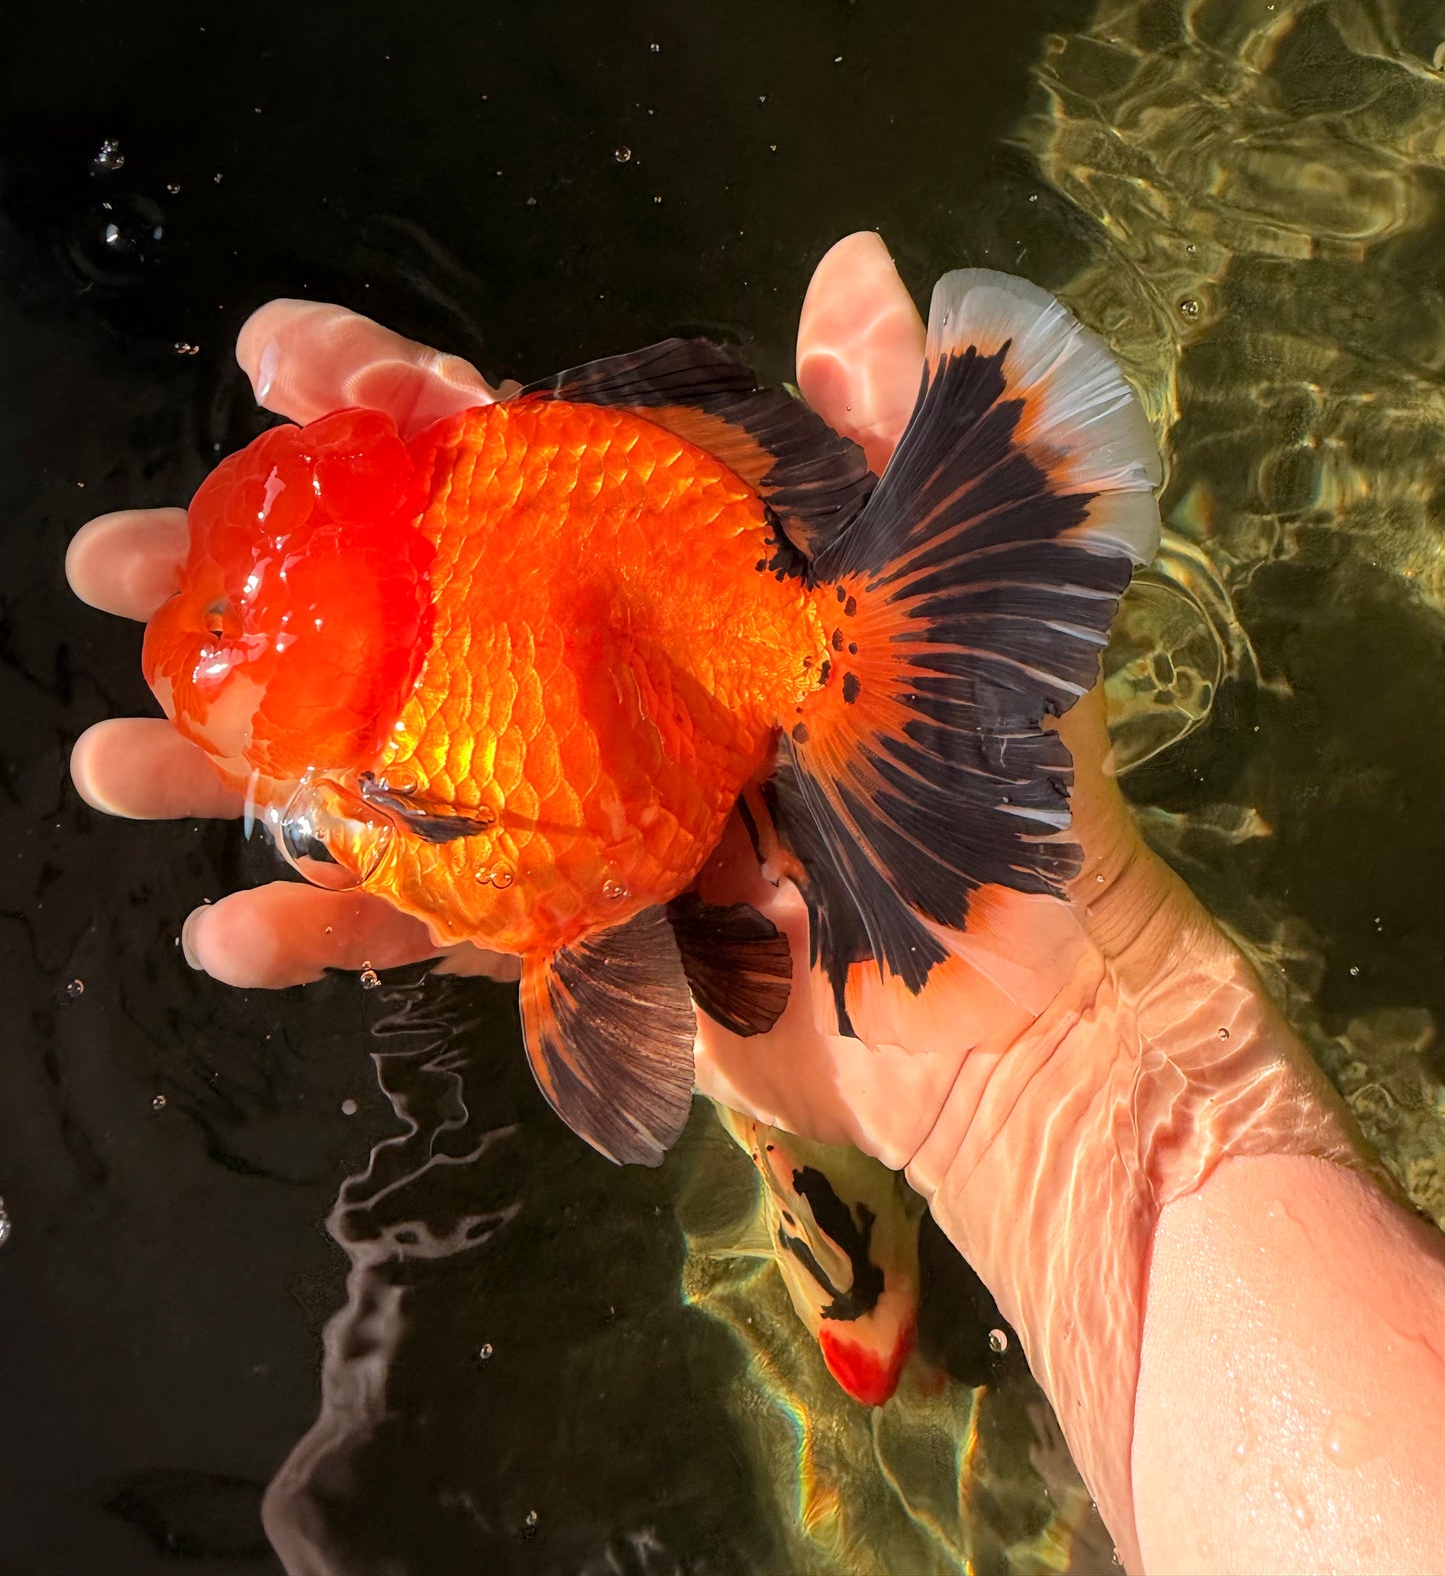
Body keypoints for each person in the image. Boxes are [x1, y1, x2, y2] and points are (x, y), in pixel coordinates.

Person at [66, 232, 1445, 1574]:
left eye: (223, 636)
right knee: (642, 974)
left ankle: (845, 1086)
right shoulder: (382, 757)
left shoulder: (394, 781)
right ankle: (834, 1073)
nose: (189, 653)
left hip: (727, 753)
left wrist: (1051, 1066)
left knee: (629, 971)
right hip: (696, 750)